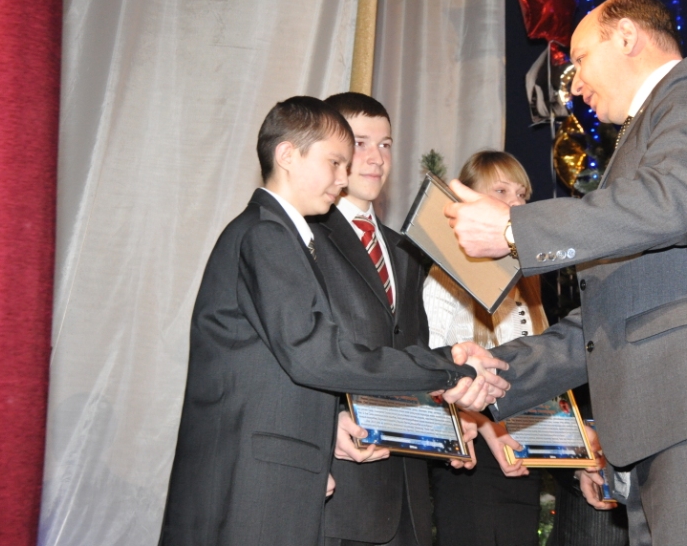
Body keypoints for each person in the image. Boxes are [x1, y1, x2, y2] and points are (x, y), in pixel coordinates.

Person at [445, 0, 687, 545]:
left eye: (579, 60)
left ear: (626, 38)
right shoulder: (641, 150)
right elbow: (612, 313)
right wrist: (501, 370)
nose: (573, 85)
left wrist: (514, 229)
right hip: (665, 426)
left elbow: (670, 205)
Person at [159, 97, 508, 546]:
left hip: (328, 481)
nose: (345, 177)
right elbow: (316, 357)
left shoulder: (286, 234)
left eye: (383, 145)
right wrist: (449, 367)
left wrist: (442, 417)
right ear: (288, 155)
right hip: (262, 483)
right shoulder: (269, 234)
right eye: (337, 161)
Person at [306, 92, 442, 546]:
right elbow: (291, 353)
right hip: (341, 488)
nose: (376, 158)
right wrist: (324, 426)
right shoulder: (302, 237)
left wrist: (448, 417)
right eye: (360, 143)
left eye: (385, 145)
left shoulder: (405, 250)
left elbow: (412, 352)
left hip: (407, 492)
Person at [423, 151, 548, 546]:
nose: (516, 203)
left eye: (522, 194)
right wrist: (483, 423)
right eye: (501, 191)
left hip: (521, 454)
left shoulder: (528, 279)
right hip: (470, 456)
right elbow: (430, 365)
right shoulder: (444, 276)